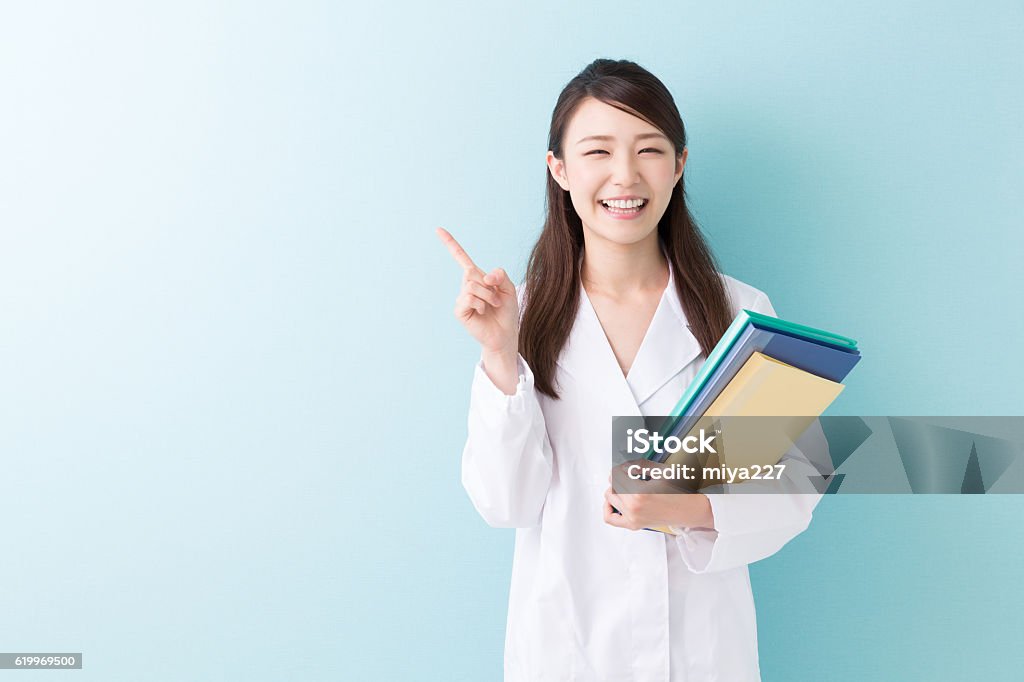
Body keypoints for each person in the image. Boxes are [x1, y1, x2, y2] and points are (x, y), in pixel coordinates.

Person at [437, 58, 823, 682]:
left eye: (648, 149)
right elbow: (506, 503)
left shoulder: (742, 315)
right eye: (598, 151)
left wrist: (683, 509)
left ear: (678, 165)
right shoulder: (522, 316)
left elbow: (790, 489)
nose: (625, 175)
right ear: (558, 170)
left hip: (702, 653)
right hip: (565, 650)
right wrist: (500, 356)